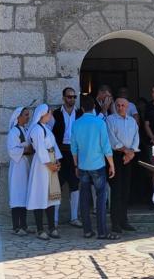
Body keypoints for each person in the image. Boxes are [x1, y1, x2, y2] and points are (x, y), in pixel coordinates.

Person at [71, 93, 116, 239]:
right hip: (98, 165)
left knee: (84, 199)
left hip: (83, 165)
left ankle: (87, 230)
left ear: (82, 108)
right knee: (101, 198)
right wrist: (112, 165)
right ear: (94, 107)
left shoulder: (76, 124)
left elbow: (74, 148)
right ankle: (102, 231)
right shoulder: (100, 123)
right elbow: (106, 147)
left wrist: (76, 165)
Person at [27, 104, 62, 240]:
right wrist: (49, 164)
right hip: (42, 166)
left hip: (51, 163)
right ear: (43, 114)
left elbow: (54, 146)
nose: (50, 116)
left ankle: (52, 227)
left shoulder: (46, 129)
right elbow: (40, 149)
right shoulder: (36, 130)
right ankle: (40, 229)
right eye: (49, 113)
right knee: (40, 195)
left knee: (51, 196)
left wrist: (57, 160)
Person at [106, 97, 139, 234]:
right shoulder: (110, 119)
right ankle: (115, 223)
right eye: (118, 105)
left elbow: (136, 137)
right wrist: (125, 150)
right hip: (116, 157)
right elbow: (111, 138)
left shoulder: (132, 121)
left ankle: (124, 221)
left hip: (129, 157)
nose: (120, 108)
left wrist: (131, 153)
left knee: (126, 190)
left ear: (128, 107)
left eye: (123, 105)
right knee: (116, 191)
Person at [51, 87, 83, 227]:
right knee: (57, 185)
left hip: (74, 153)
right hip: (60, 153)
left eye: (74, 97)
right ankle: (55, 219)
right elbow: (50, 134)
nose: (72, 99)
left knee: (75, 185)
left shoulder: (80, 113)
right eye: (69, 97)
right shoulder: (56, 114)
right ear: (64, 98)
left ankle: (74, 217)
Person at [7, 106, 33, 235]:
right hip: (17, 168)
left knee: (23, 196)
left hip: (24, 165)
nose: (28, 117)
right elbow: (12, 151)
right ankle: (16, 227)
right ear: (18, 117)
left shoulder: (26, 130)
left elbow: (30, 147)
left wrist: (27, 148)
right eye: (26, 114)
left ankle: (24, 225)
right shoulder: (13, 132)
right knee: (16, 195)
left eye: (28, 114)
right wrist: (26, 149)